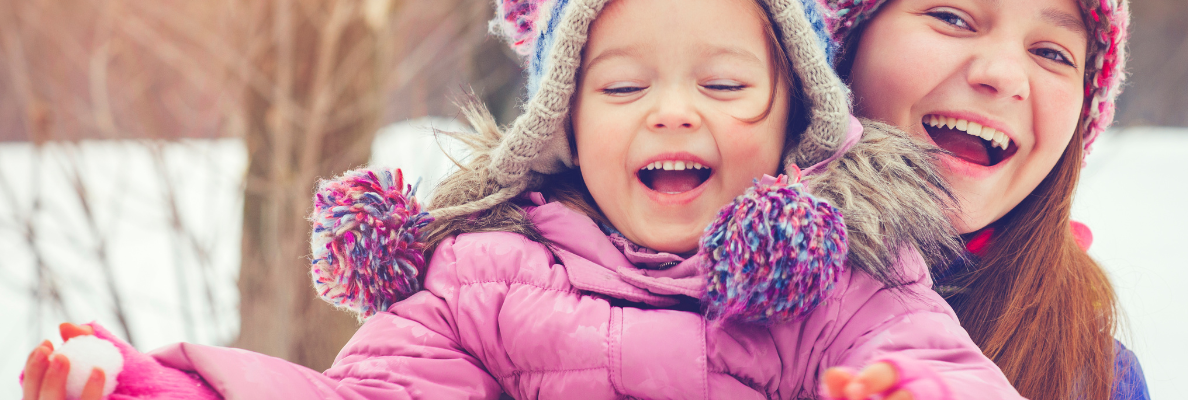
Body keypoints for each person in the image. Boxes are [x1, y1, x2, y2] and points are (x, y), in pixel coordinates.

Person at [22, 0, 1026, 399]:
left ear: (791, 120)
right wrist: (153, 391)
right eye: (624, 88)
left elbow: (944, 369)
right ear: (564, 129)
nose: (673, 112)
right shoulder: (483, 281)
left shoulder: (839, 289)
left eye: (724, 85)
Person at [821, 0, 1149, 398]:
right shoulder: (751, 289)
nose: (1003, 76)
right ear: (843, 44)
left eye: (1051, 53)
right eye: (951, 18)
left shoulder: (1098, 378)